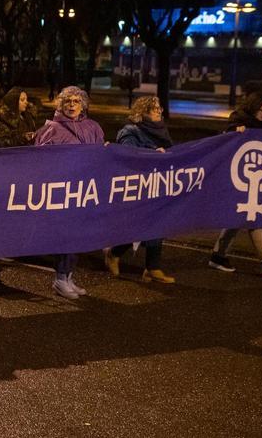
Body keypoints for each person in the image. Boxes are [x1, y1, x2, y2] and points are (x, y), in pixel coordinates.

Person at [34, 86, 104, 299]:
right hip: (62, 192)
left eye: (76, 101)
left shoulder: (93, 127)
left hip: (85, 191)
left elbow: (101, 156)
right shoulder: (51, 130)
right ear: (61, 105)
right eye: (68, 102)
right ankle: (60, 278)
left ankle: (69, 276)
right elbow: (38, 162)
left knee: (80, 236)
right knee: (66, 236)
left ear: (83, 104)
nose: (72, 105)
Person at [209, 93, 262, 279]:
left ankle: (218, 256)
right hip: (236, 180)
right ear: (253, 109)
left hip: (253, 183)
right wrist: (235, 134)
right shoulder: (237, 122)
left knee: (238, 218)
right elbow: (224, 145)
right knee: (253, 217)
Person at [106, 96, 175, 283]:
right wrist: (153, 153)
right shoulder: (130, 131)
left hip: (157, 184)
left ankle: (152, 267)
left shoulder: (161, 131)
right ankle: (114, 253)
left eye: (159, 107)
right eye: (154, 109)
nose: (159, 111)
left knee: (157, 223)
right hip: (138, 187)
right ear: (142, 112)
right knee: (139, 225)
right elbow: (128, 154)